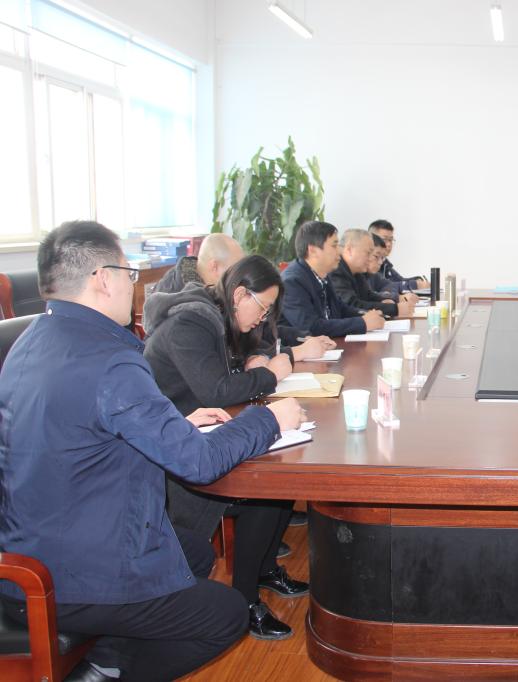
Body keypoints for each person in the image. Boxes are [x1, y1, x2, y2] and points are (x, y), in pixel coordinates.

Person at [0, 221, 302, 681]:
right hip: (75, 576)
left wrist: (175, 425)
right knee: (225, 614)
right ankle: (108, 673)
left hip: (32, 549)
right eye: (128, 272)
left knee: (193, 553)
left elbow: (84, 430)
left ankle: (105, 658)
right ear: (103, 279)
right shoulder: (109, 360)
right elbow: (198, 463)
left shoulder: (28, 343)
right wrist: (270, 420)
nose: (134, 284)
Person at [144, 255, 312, 641]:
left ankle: (264, 570)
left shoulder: (220, 314)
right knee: (263, 491)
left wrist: (256, 356)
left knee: (280, 474)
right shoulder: (190, 323)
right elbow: (215, 390)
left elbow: (254, 345)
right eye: (262, 308)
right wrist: (268, 373)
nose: (263, 318)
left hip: (203, 430)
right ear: (239, 295)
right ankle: (245, 599)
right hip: (173, 455)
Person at [146, 233, 334, 362]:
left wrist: (303, 337)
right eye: (235, 269)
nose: (240, 275)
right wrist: (293, 353)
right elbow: (229, 356)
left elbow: (261, 330)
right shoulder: (187, 306)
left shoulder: (222, 293)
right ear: (214, 266)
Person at [281, 221, 385, 336]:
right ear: (313, 250)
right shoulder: (292, 281)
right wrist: (362, 323)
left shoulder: (322, 274)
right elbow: (311, 327)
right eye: (334, 246)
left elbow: (340, 308)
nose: (340, 251)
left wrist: (367, 315)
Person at [329, 229, 416, 318]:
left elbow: (368, 295)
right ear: (349, 250)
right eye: (368, 253)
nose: (370, 258)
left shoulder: (357, 271)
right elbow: (351, 305)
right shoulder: (336, 271)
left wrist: (385, 301)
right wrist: (394, 309)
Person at [153, 233, 245, 294]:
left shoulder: (199, 279)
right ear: (214, 267)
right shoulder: (187, 303)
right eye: (234, 272)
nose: (238, 280)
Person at [368, 218, 428, 292]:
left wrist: (417, 280)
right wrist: (415, 284)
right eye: (384, 239)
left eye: (390, 240)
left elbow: (400, 280)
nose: (389, 244)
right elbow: (385, 287)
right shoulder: (368, 264)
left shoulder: (385, 263)